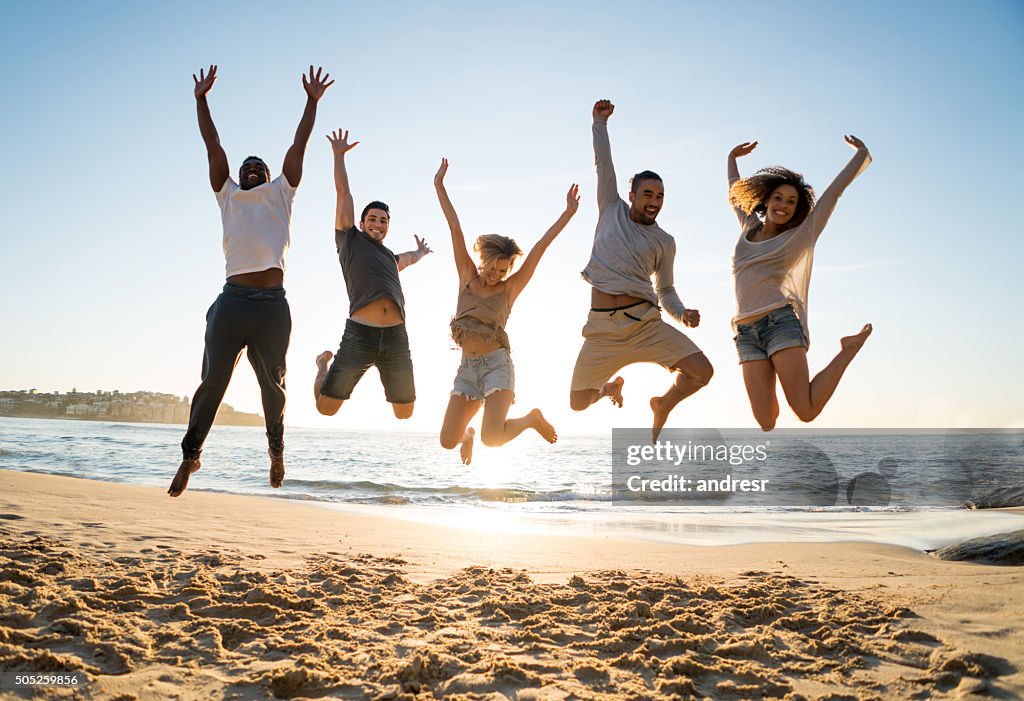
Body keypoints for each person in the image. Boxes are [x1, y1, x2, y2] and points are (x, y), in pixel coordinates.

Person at [169, 65, 332, 497]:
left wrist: (311, 102)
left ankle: (276, 449)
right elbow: (212, 144)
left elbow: (299, 144)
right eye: (248, 166)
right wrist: (201, 99)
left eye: (260, 165)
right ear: (238, 176)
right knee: (212, 383)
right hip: (233, 301)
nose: (254, 168)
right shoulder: (227, 194)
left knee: (273, 385)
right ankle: (191, 455)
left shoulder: (282, 192)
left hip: (272, 306)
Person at [569, 100, 713, 442]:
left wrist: (682, 314)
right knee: (577, 403)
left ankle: (663, 403)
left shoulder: (664, 241)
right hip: (602, 330)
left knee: (702, 372)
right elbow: (603, 164)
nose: (655, 200)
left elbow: (666, 290)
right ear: (632, 194)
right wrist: (599, 123)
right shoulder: (610, 208)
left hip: (645, 324)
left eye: (660, 196)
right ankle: (610, 388)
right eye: (648, 193)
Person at [434, 158, 578, 464]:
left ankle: (531, 419)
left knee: (493, 438)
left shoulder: (509, 289)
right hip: (467, 370)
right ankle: (467, 436)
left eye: (504, 269)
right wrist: (439, 185)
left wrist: (567, 213)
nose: (497, 274)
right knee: (448, 440)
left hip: (497, 366)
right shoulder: (467, 278)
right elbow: (455, 228)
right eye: (494, 268)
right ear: (484, 261)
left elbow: (540, 247)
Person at [727, 136, 873, 431]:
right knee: (766, 422)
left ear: (798, 209)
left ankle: (848, 350)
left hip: (779, 324)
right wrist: (732, 156)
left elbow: (834, 193)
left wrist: (861, 154)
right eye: (778, 198)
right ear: (765, 200)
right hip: (745, 331)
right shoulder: (748, 226)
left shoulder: (800, 237)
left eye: (791, 202)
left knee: (805, 410)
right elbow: (733, 191)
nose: (783, 205)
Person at [313, 129, 431, 418]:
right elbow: (343, 192)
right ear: (362, 223)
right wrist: (338, 156)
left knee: (405, 413)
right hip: (360, 335)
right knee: (326, 409)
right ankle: (322, 367)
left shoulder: (389, 258)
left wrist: (421, 253)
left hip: (395, 336)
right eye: (373, 219)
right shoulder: (349, 240)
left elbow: (409, 259)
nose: (378, 224)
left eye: (384, 221)